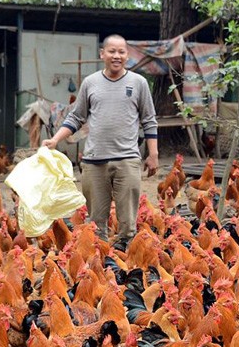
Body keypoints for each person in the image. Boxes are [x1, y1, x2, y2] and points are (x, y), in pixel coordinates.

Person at [42, 34, 158, 247]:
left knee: (127, 223)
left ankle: (124, 261)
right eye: (112, 51)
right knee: (96, 222)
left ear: (127, 55)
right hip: (94, 162)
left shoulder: (139, 83)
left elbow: (149, 120)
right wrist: (55, 139)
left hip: (128, 160)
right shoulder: (90, 83)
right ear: (102, 54)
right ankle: (101, 263)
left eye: (121, 52)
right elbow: (76, 117)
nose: (117, 56)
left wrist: (153, 154)